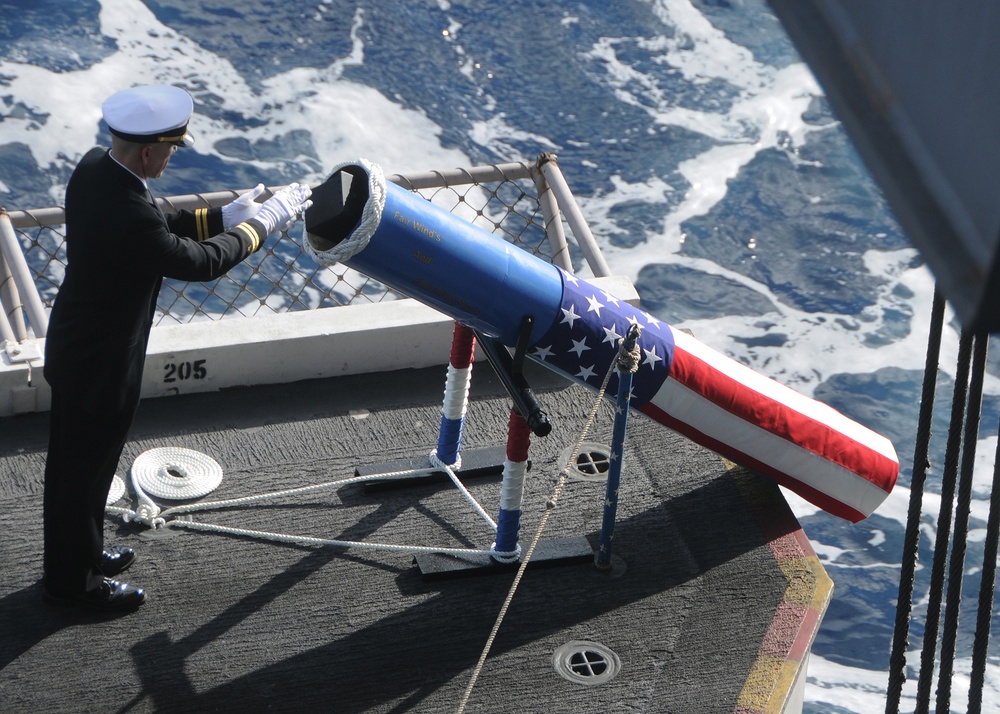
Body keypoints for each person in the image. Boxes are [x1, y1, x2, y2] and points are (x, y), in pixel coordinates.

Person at [42, 84, 312, 611]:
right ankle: (72, 585)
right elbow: (198, 264)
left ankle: (84, 554)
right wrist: (265, 223)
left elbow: (158, 226)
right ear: (148, 152)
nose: (172, 154)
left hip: (83, 347)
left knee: (87, 467)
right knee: (80, 472)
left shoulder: (98, 167)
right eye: (171, 147)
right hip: (99, 363)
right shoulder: (127, 206)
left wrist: (220, 218)